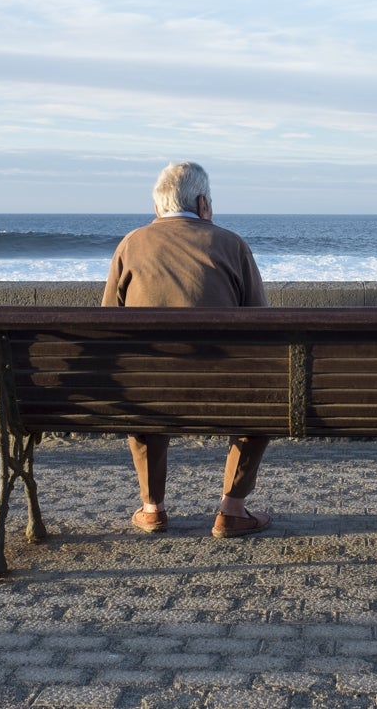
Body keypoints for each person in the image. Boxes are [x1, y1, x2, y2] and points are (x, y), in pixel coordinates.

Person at [102, 161, 272, 538]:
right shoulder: (231, 244)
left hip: (148, 393)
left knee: (141, 382)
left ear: (158, 207)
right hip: (224, 392)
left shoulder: (131, 244)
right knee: (264, 402)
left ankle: (152, 508)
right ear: (202, 203)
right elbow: (263, 323)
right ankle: (232, 509)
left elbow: (105, 323)